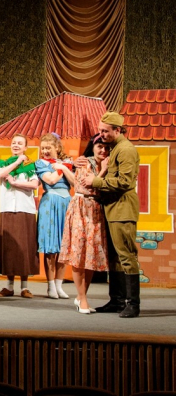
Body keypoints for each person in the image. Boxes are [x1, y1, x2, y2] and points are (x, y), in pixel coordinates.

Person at [81, 111, 141, 318]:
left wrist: (96, 181)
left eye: (106, 131)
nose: (102, 135)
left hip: (123, 209)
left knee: (126, 255)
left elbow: (125, 182)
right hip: (113, 208)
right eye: (100, 130)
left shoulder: (126, 150)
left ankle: (133, 303)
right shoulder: (115, 148)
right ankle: (117, 300)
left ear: (118, 130)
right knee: (115, 257)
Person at [59, 134, 109, 314]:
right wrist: (103, 171)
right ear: (93, 147)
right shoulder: (84, 162)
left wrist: (106, 169)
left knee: (91, 256)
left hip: (96, 210)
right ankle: (83, 298)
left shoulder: (108, 164)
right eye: (99, 147)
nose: (103, 150)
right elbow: (84, 185)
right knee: (78, 254)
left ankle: (81, 297)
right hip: (81, 208)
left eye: (106, 148)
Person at [0, 134, 40, 298]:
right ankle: (9, 286)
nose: (16, 145)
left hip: (25, 209)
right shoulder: (3, 163)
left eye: (20, 143)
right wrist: (16, 162)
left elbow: (34, 184)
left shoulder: (30, 165)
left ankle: (24, 287)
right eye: (14, 143)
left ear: (25, 147)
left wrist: (14, 183)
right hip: (7, 208)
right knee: (9, 248)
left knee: (24, 247)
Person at [35, 133, 75, 299]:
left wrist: (65, 167)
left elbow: (74, 183)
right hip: (50, 203)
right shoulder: (41, 163)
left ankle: (59, 285)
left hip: (66, 203)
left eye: (48, 148)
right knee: (51, 247)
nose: (45, 151)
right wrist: (64, 167)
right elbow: (50, 180)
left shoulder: (67, 162)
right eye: (43, 148)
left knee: (63, 247)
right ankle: (51, 286)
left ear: (57, 148)